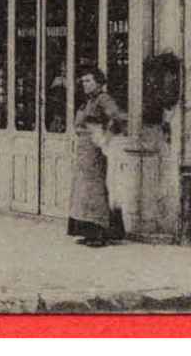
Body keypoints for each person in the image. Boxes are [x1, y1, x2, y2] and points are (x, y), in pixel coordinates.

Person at [67, 67, 126, 247]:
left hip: (95, 151)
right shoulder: (88, 102)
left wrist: (105, 139)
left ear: (99, 82)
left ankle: (101, 233)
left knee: (96, 191)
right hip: (83, 151)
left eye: (88, 81)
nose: (85, 84)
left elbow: (118, 118)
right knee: (84, 192)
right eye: (83, 81)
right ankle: (89, 232)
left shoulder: (103, 99)